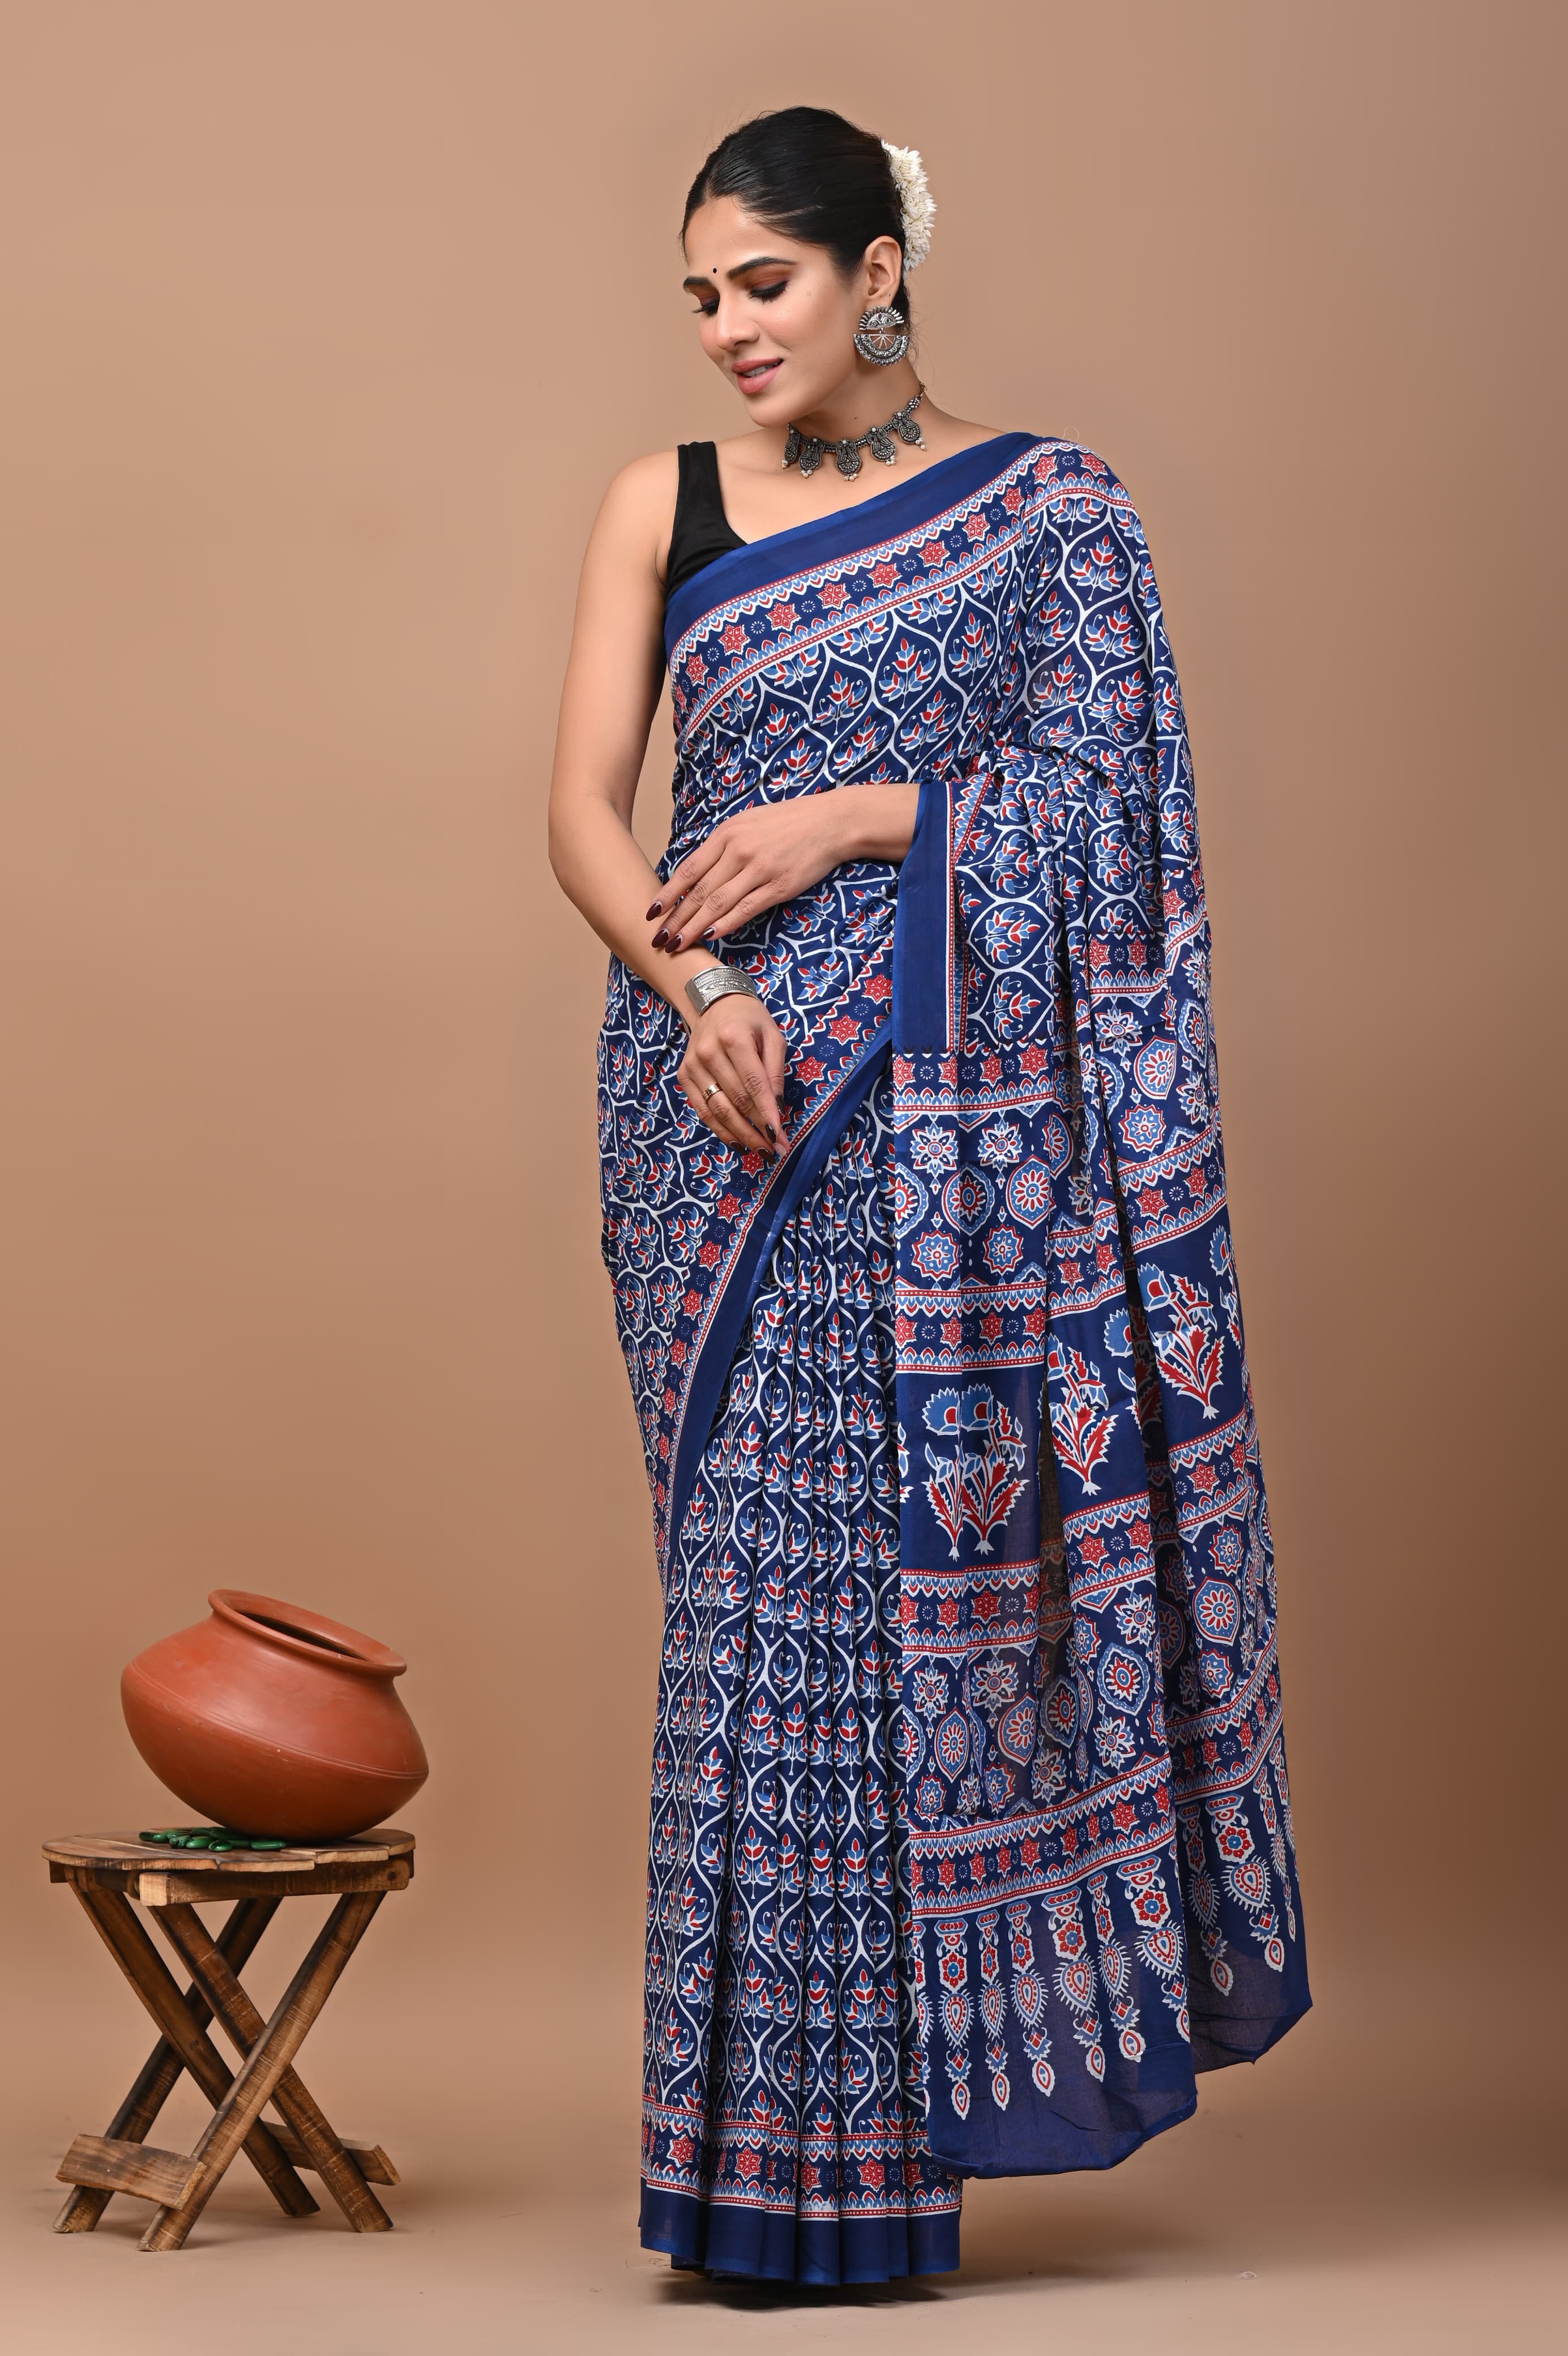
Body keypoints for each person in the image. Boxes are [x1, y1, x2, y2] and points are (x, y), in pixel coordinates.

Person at [548, 104, 1309, 2289]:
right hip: (714, 1117)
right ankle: (744, 2180)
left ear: (877, 269)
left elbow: (1115, 812)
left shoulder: (1052, 508)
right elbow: (580, 811)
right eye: (699, 295)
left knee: (886, 1622)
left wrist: (860, 816)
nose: (726, 329)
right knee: (751, 1625)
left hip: (945, 1131)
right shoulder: (664, 502)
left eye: (763, 283)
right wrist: (702, 990)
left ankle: (862, 2186)